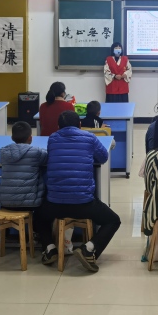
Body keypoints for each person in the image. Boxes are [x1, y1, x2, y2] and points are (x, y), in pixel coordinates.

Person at [37, 111, 120, 273]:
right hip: (84, 203)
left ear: (58, 126)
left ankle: (50, 248)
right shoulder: (89, 138)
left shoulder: (53, 138)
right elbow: (103, 157)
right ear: (80, 125)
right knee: (113, 220)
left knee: (38, 217)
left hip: (54, 204)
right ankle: (89, 249)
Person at [0, 122, 48, 219]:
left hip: (5, 202)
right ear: (30, 138)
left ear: (12, 138)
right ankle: (38, 227)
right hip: (30, 203)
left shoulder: (4, 152)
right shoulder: (36, 152)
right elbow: (47, 158)